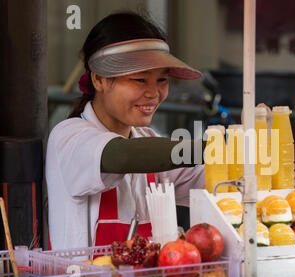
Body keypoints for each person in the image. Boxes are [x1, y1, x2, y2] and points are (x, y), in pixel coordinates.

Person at [46, 11, 205, 250]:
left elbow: (213, 177)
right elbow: (123, 155)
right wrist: (218, 147)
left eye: (162, 80)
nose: (154, 93)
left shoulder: (148, 140)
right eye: (140, 80)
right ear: (99, 80)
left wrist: (262, 153)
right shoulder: (69, 136)